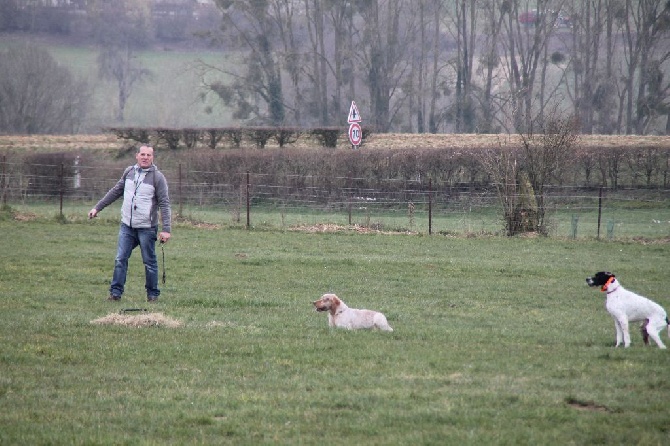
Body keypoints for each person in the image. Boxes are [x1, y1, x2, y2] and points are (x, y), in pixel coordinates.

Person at [88, 145, 172, 302]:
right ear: (137, 156)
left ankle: (152, 295)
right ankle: (115, 293)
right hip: (127, 226)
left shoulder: (158, 178)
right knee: (120, 259)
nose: (145, 157)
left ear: (152, 158)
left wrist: (166, 229)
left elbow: (165, 204)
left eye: (148, 155)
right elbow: (115, 191)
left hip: (147, 228)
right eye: (142, 154)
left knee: (149, 262)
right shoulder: (129, 172)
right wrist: (97, 208)